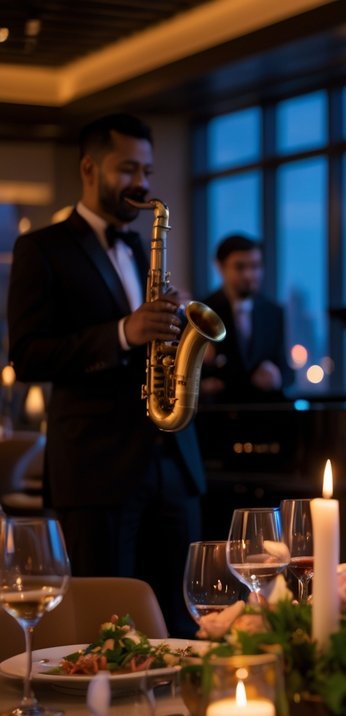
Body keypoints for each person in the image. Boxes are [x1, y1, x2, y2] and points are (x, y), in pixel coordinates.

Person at [7, 113, 204, 636]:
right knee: (107, 625)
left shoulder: (139, 246)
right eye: (128, 169)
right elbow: (27, 355)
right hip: (98, 470)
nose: (141, 183)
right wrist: (122, 332)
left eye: (147, 170)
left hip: (171, 463)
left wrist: (171, 320)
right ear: (89, 168)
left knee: (181, 621)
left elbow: (146, 337)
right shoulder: (41, 249)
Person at [200, 234, 288, 402]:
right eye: (240, 267)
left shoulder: (274, 312)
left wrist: (277, 377)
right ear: (220, 267)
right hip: (217, 416)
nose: (249, 275)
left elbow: (286, 370)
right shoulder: (202, 311)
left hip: (262, 415)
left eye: (255, 266)